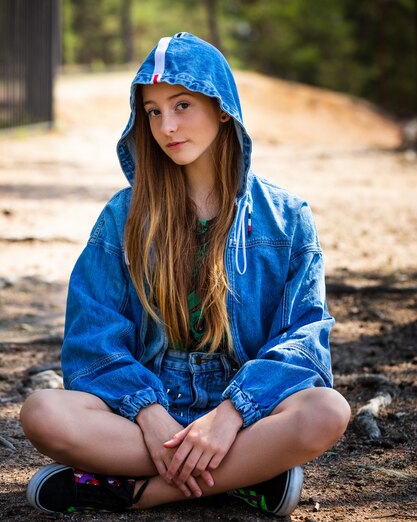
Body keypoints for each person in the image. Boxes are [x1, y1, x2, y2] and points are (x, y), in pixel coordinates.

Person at [20, 32, 350, 516]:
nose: (167, 125)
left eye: (181, 105)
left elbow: (303, 339)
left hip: (245, 415)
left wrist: (231, 415)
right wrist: (147, 412)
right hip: (144, 414)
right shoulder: (123, 216)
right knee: (42, 413)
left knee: (327, 411)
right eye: (152, 111)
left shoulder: (286, 218)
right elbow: (93, 339)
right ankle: (246, 478)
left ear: (222, 109)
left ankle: (128, 492)